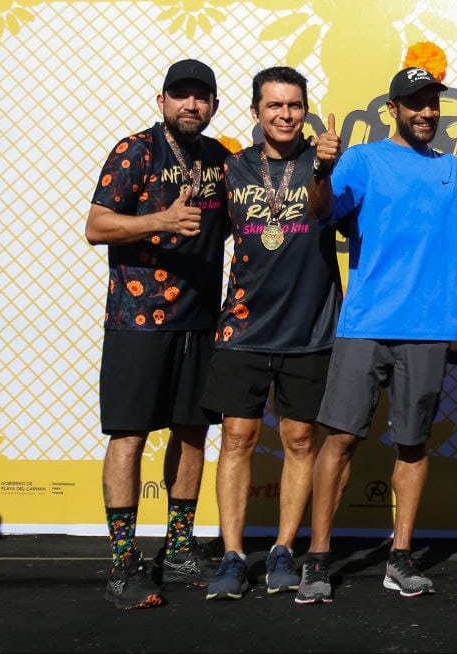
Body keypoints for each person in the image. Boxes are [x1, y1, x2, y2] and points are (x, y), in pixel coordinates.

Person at [295, 67, 457, 604]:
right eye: (414, 103)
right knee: (340, 439)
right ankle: (318, 558)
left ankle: (400, 557)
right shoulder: (362, 159)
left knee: (413, 443)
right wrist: (320, 170)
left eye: (432, 103)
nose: (426, 112)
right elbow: (322, 210)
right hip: (366, 324)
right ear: (393, 109)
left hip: (429, 329)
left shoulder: (451, 169)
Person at [84, 59, 229, 609]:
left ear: (213, 105)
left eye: (201, 96)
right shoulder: (135, 151)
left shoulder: (220, 159)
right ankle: (123, 563)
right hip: (138, 321)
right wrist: (159, 221)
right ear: (162, 101)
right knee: (130, 436)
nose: (191, 104)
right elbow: (97, 226)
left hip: (201, 320)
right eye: (181, 95)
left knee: (192, 434)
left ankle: (179, 549)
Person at [200, 67, 343, 600]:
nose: (285, 114)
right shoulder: (232, 167)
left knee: (300, 441)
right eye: (275, 105)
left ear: (306, 109)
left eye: (295, 105)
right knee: (237, 439)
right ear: (256, 111)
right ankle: (233, 555)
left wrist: (325, 170)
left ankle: (284, 549)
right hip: (243, 326)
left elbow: (327, 213)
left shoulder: (325, 162)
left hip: (310, 327)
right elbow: (205, 235)